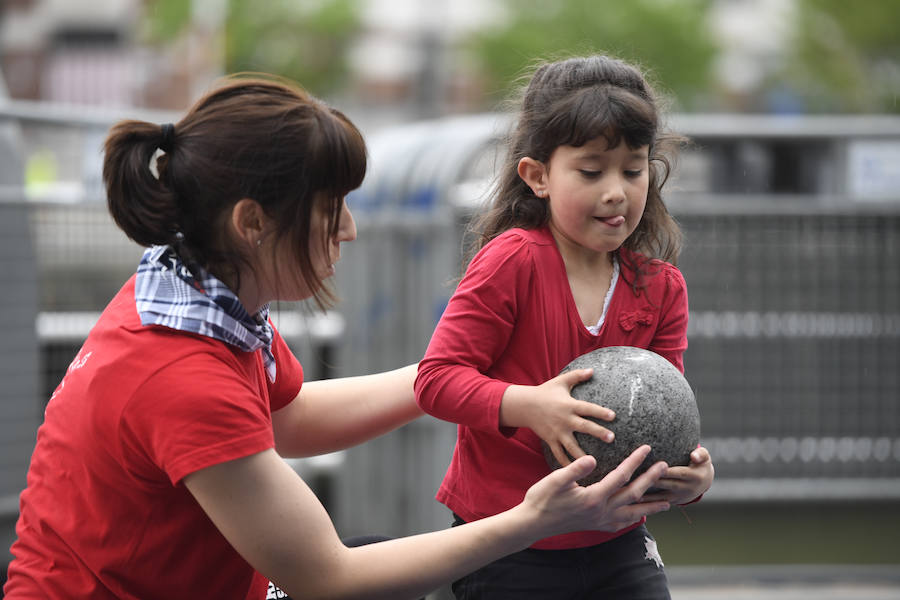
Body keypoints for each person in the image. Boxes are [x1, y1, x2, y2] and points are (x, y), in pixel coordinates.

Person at [4, 75, 673, 600]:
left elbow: (287, 417)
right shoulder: (180, 373)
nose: (349, 230)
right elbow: (326, 579)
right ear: (252, 222)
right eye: (331, 209)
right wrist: (532, 521)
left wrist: (458, 376)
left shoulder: (195, 298)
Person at [415, 55, 716, 599]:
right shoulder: (512, 262)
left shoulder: (662, 287)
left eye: (633, 168)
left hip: (617, 539)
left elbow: (664, 412)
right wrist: (531, 405)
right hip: (505, 539)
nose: (616, 192)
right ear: (538, 176)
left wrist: (690, 479)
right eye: (591, 170)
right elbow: (436, 380)